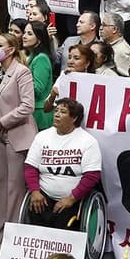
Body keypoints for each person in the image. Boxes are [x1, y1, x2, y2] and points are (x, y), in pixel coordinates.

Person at [24, 97, 102, 229]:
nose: (57, 114)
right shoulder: (42, 137)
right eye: (56, 110)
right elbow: (30, 167)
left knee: (65, 222)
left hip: (73, 199)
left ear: (74, 118)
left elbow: (92, 175)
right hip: (43, 195)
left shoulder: (88, 141)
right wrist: (35, 191)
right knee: (36, 213)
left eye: (63, 112)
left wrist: (71, 198)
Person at [0, 32, 38, 248]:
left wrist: (4, 120)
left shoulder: (22, 72)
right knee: (1, 185)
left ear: (10, 49)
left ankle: (12, 240)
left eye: (0, 44)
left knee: (14, 189)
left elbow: (28, 105)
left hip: (17, 134)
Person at [23, 22, 56, 132]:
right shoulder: (32, 56)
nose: (24, 36)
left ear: (39, 39)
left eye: (29, 33)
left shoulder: (41, 59)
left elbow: (38, 89)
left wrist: (19, 80)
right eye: (24, 33)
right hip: (33, 110)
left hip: (40, 113)